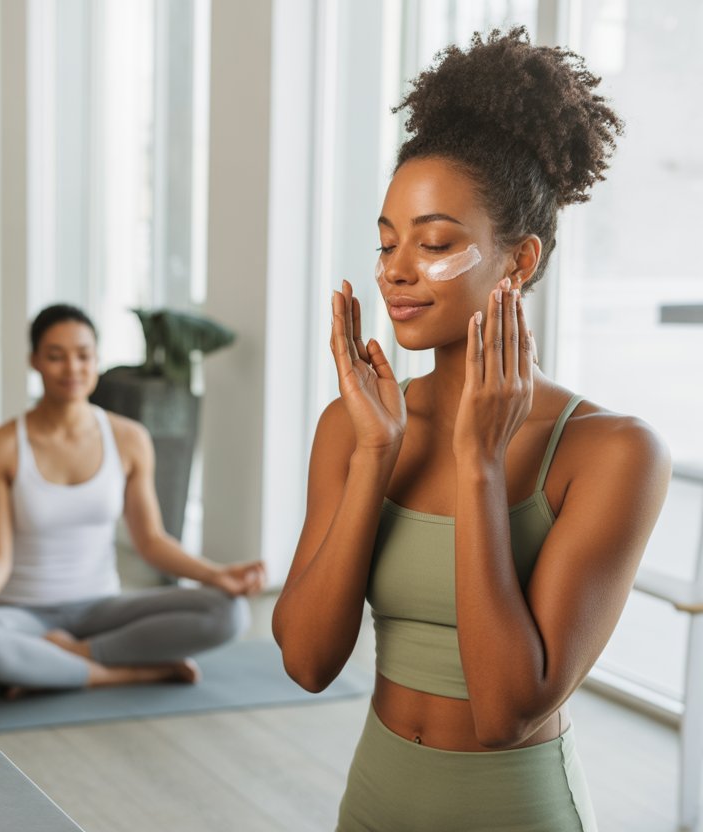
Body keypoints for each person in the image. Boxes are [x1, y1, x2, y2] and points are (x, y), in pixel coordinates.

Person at [271, 28, 670, 831]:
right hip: (374, 797)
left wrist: (482, 465)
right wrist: (376, 455)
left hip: (512, 809)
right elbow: (307, 662)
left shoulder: (613, 452)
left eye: (436, 243)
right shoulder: (355, 429)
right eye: (387, 243)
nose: (394, 270)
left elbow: (506, 712)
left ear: (517, 261)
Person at [0, 303, 266, 693]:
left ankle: (64, 659)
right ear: (35, 361)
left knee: (228, 612)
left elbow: (152, 541)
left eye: (83, 355)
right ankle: (128, 672)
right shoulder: (2, 447)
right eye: (56, 356)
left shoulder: (129, 439)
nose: (72, 368)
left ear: (97, 360)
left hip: (104, 610)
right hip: (26, 615)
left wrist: (216, 575)